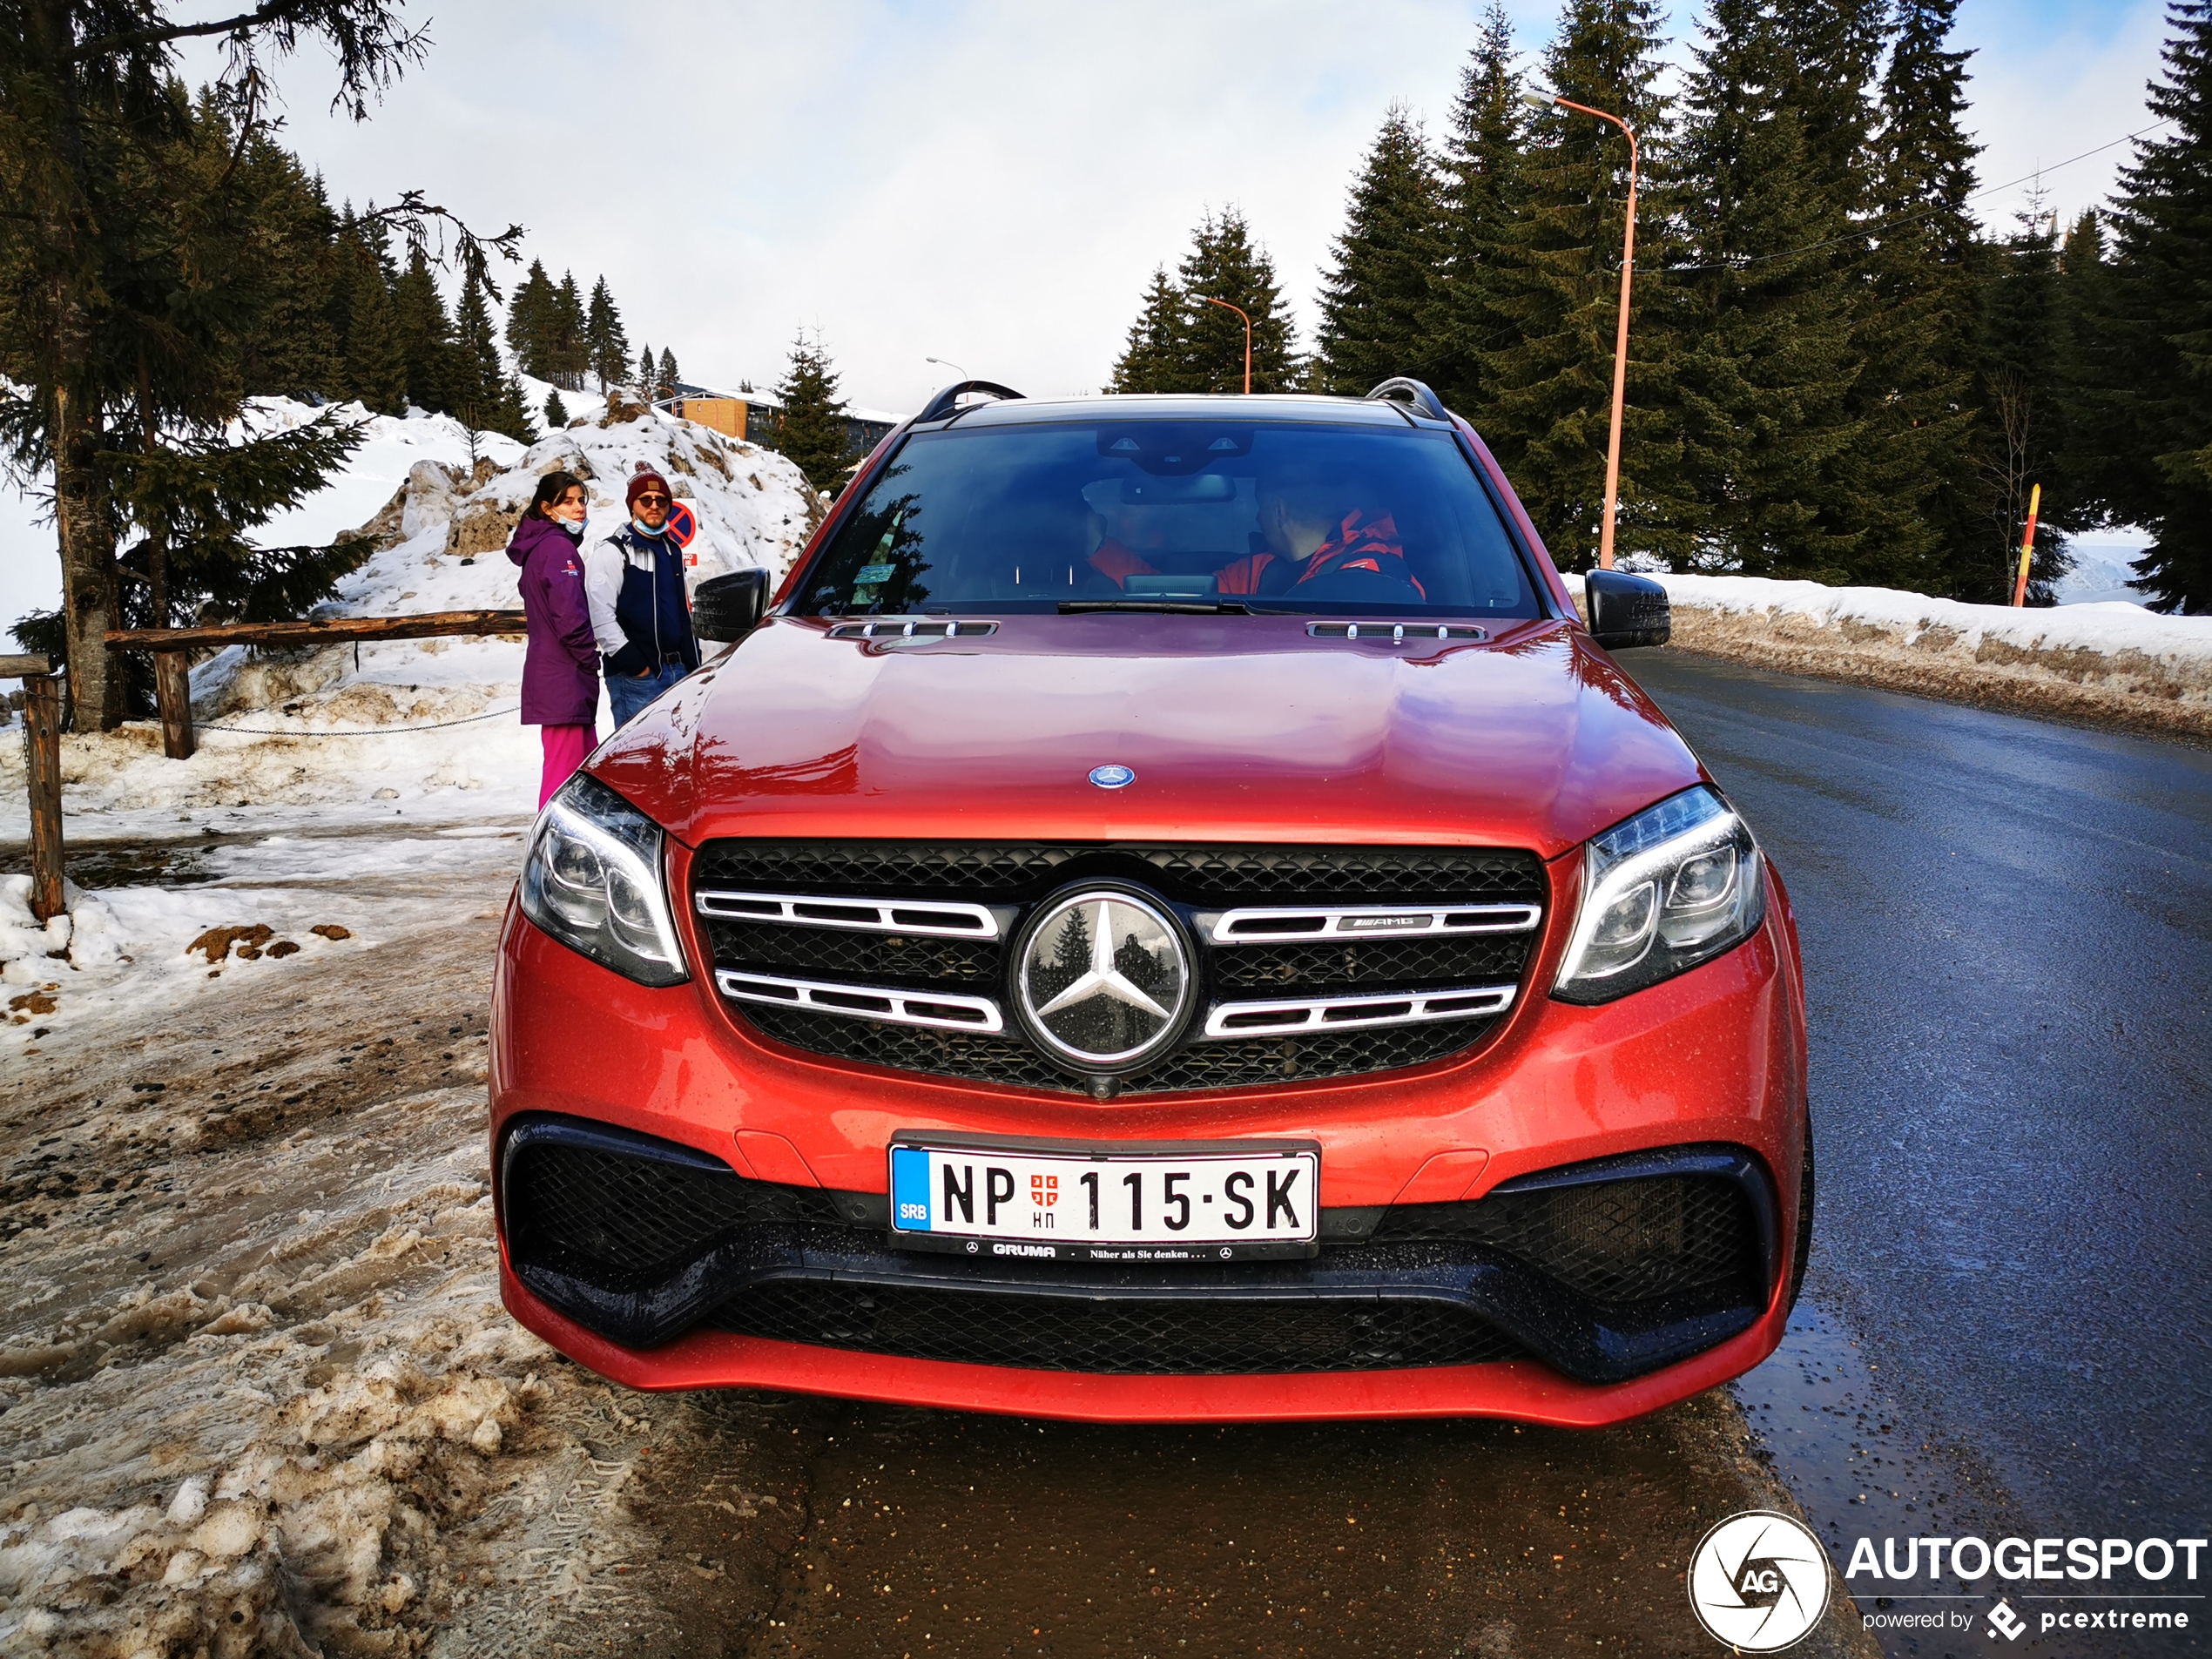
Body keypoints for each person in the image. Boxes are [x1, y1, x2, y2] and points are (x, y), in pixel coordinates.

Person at [508, 471, 601, 808]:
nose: (579, 508)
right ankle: (553, 844)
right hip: (564, 676)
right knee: (564, 775)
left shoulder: (541, 548)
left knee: (576, 769)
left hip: (557, 674)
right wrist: (590, 658)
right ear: (547, 508)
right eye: (568, 501)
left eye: (581, 500)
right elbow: (570, 616)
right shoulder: (558, 549)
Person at [587, 463, 702, 726]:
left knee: (677, 756)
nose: (654, 505)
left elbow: (682, 612)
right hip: (637, 679)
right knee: (640, 759)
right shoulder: (613, 552)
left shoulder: (673, 550)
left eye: (661, 500)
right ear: (632, 505)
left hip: (678, 673)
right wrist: (636, 666)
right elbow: (600, 615)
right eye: (645, 499)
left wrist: (692, 664)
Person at [1212, 473, 1426, 601]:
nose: (1258, 519)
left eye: (1260, 508)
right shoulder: (1256, 569)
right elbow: (1203, 592)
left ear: (1279, 511)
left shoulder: (1374, 571)